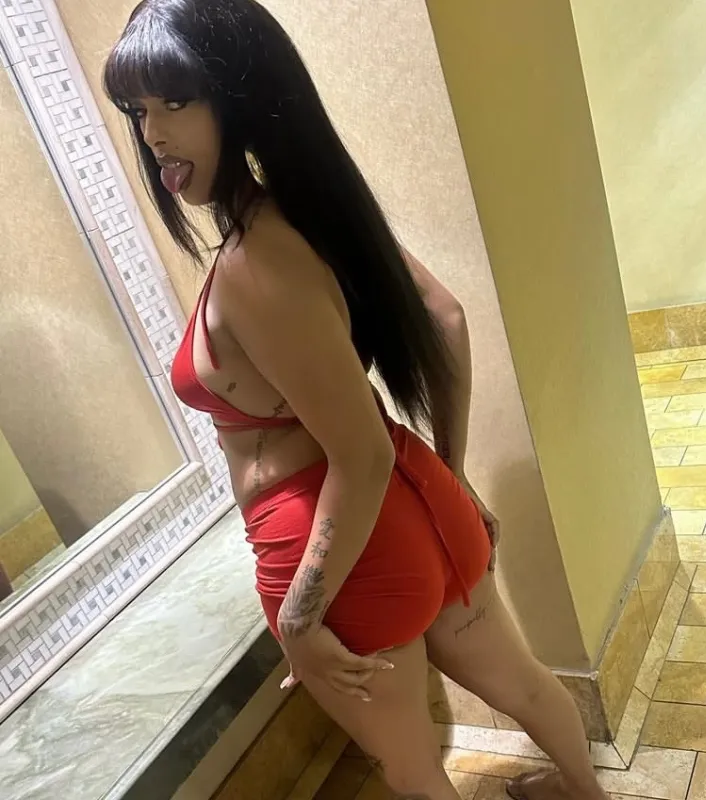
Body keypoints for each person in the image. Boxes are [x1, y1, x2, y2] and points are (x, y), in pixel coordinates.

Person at [104, 2, 611, 798]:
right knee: (525, 684)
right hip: (420, 499)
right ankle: (587, 790)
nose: (154, 133)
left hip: (340, 548)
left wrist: (299, 620)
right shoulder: (312, 211)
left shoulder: (253, 262)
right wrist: (451, 474)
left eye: (176, 101)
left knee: (412, 769)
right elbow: (445, 317)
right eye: (138, 110)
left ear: (238, 94)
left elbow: (359, 456)